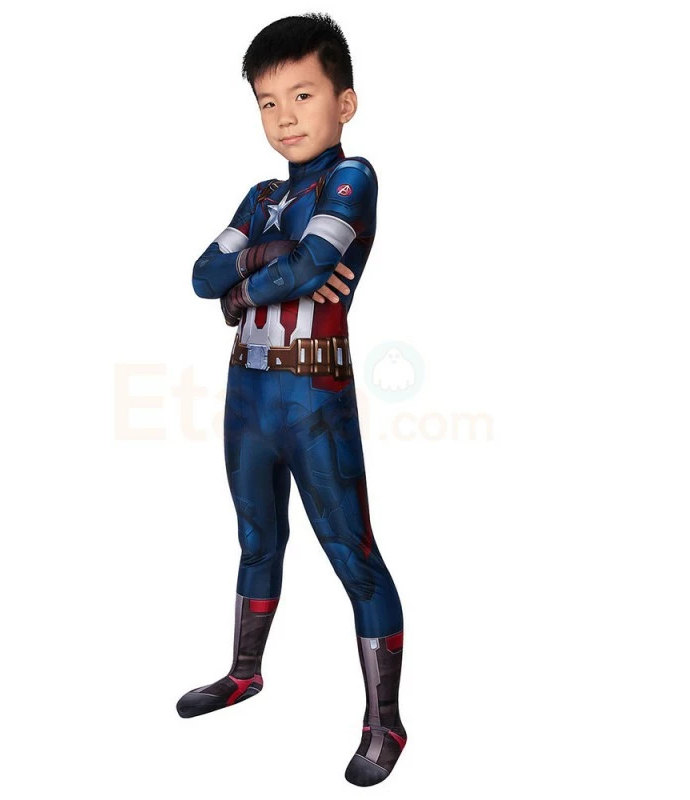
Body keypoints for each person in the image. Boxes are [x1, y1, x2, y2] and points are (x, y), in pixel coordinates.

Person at [178, 13, 407, 787]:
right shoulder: (262, 193)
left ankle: (385, 722)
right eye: (268, 102)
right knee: (255, 539)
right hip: (248, 392)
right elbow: (202, 277)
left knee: (353, 555)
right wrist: (270, 261)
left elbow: (309, 266)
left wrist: (249, 280)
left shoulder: (353, 177)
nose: (284, 117)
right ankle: (244, 674)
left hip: (314, 393)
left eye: (302, 95)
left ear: (345, 102)